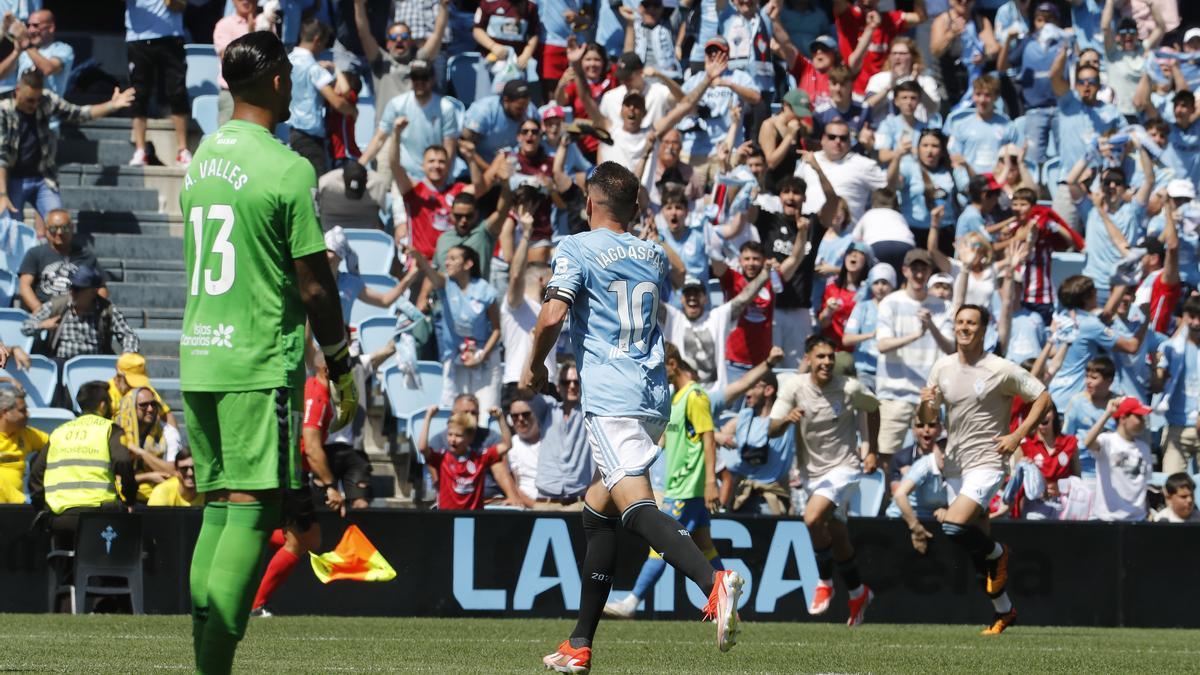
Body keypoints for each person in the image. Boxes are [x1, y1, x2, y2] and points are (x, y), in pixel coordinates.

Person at [179, 31, 358, 674]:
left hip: (200, 356)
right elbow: (315, 283)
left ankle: (205, 659)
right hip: (258, 361)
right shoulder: (288, 166)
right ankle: (212, 670)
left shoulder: (201, 158)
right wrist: (340, 366)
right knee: (255, 516)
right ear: (280, 81)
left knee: (219, 511)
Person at [521, 162, 744, 672]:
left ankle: (714, 581)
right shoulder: (652, 254)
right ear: (636, 208)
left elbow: (553, 314)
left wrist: (536, 367)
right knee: (597, 510)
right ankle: (580, 644)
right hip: (651, 397)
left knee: (635, 508)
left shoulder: (576, 246)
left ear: (591, 203)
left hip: (611, 396)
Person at [918, 304, 1051, 635]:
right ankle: (1004, 613)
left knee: (953, 527)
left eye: (971, 323)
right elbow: (927, 417)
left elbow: (1043, 397)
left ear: (984, 329)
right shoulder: (942, 367)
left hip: (988, 460)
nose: (965, 328)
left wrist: (1018, 435)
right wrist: (925, 402)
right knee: (979, 555)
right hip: (955, 463)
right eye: (960, 322)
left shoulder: (1000, 369)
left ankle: (1000, 551)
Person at [603, 343, 723, 619]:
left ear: (672, 364)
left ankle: (633, 601)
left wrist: (709, 482)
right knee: (704, 544)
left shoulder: (695, 396)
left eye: (661, 366)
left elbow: (708, 437)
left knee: (661, 544)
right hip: (679, 482)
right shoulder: (678, 398)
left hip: (688, 485)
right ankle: (728, 602)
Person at [771, 335, 879, 622]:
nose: (827, 362)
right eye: (821, 357)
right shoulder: (794, 387)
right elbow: (771, 429)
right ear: (808, 359)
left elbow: (873, 408)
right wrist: (786, 420)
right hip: (811, 472)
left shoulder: (849, 387)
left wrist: (873, 450)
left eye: (831, 357)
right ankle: (858, 592)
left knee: (811, 519)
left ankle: (825, 582)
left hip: (844, 468)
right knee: (838, 535)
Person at [250, 356, 349, 617]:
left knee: (310, 538)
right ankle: (256, 605)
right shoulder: (317, 396)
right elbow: (312, 445)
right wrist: (330, 485)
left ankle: (252, 538)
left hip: (289, 469)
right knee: (297, 542)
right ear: (328, 369)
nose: (350, 370)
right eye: (346, 364)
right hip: (288, 472)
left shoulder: (315, 390)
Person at [0, 71, 134, 230]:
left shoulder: (46, 100)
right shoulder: (4, 111)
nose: (34, 105)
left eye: (37, 100)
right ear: (17, 91)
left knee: (60, 226)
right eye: (30, 100)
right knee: (11, 230)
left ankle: (53, 252)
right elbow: (2, 156)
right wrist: (2, 194)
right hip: (14, 180)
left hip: (43, 177)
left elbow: (78, 113)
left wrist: (112, 105)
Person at [28, 381, 138, 549]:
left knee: (65, 566)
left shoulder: (60, 431)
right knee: (111, 566)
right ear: (102, 406)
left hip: (61, 517)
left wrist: (43, 506)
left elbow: (36, 472)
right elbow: (123, 461)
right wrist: (129, 498)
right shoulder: (109, 429)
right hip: (100, 516)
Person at [874, 249, 954, 468]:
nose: (919, 274)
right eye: (914, 269)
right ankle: (888, 501)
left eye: (924, 269)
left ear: (930, 272)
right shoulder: (890, 302)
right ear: (905, 271)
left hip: (928, 395)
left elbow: (951, 349)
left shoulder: (943, 306)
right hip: (894, 393)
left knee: (935, 457)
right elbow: (882, 345)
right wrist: (917, 335)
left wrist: (932, 327)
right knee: (887, 456)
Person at [410, 244, 503, 410]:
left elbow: (497, 330)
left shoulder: (485, 291)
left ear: (468, 264)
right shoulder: (445, 285)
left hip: (485, 360)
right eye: (446, 259)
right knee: (456, 412)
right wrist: (420, 259)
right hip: (455, 361)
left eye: (453, 259)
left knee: (486, 412)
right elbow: (432, 275)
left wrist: (481, 356)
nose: (447, 263)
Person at [20, 265, 141, 361]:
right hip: (63, 362)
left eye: (78, 289)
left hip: (94, 363)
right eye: (71, 287)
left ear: (93, 292)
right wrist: (42, 325)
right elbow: (26, 327)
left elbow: (128, 335)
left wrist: (128, 354)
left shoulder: (107, 310)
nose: (72, 292)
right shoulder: (58, 305)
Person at [125, 0, 192, 167]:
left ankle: (183, 150)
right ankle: (140, 150)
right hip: (138, 39)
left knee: (177, 91)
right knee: (139, 94)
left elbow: (181, 5)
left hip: (171, 37)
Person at [287, 20, 358, 176]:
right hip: (309, 136)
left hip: (289, 133)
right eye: (324, 44)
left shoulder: (288, 61)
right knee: (317, 185)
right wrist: (352, 111)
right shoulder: (313, 68)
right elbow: (338, 103)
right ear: (317, 40)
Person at [417, 405, 513, 509]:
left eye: (458, 436)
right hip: (447, 518)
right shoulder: (442, 459)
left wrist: (500, 419)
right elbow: (422, 448)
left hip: (474, 518)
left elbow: (507, 445)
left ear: (470, 438)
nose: (452, 439)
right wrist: (428, 417)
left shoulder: (479, 459)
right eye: (450, 434)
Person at [796, 118, 888, 222]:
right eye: (832, 137)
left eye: (843, 138)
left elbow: (890, 187)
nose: (837, 141)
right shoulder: (809, 159)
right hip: (809, 228)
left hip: (848, 233)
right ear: (823, 139)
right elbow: (795, 191)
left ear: (850, 141)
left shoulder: (864, 164)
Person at [532, 363, 595, 510]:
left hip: (579, 501)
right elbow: (525, 392)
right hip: (546, 501)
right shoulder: (548, 408)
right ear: (558, 386)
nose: (572, 386)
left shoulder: (591, 413)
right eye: (566, 382)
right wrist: (538, 362)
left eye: (577, 381)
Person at [17, 210, 106, 312]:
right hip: (47, 311)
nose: (59, 232)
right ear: (46, 230)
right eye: (53, 229)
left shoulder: (86, 256)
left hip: (79, 314)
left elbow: (101, 288)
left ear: (72, 228)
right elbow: (24, 286)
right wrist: (40, 312)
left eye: (64, 228)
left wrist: (94, 310)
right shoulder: (35, 253)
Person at [1080, 396, 1152, 522]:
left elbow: (1144, 484)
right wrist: (1107, 414)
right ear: (1123, 418)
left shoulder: (1144, 448)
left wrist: (1148, 511)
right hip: (1108, 518)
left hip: (1138, 519)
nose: (1142, 422)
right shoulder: (1107, 440)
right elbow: (1088, 442)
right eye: (1138, 417)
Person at [833, 0, 925, 95]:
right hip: (854, 92)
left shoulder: (889, 19)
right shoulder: (847, 14)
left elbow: (920, 17)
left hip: (882, 90)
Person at [1157, 297, 1200, 475]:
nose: (1196, 322)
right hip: (1176, 427)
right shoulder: (1170, 347)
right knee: (1172, 485)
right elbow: (1157, 383)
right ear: (1183, 316)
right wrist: (1157, 370)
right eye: (1192, 316)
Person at [842, 262, 896, 391]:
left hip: (891, 372)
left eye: (884, 283)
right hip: (864, 371)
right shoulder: (862, 307)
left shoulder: (897, 308)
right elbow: (846, 339)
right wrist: (871, 335)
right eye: (876, 283)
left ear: (892, 285)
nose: (880, 287)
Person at [0, 385, 47, 504]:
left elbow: (56, 443)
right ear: (5, 412)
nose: (28, 414)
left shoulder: (26, 434)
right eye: (22, 410)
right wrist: (22, 500)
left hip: (15, 510)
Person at [14, 9, 73, 100]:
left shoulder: (63, 49)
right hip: (21, 111)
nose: (31, 30)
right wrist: (15, 52)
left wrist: (27, 46)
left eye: (35, 25)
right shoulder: (24, 51)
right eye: (28, 26)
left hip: (49, 110)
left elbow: (48, 69)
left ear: (51, 28)